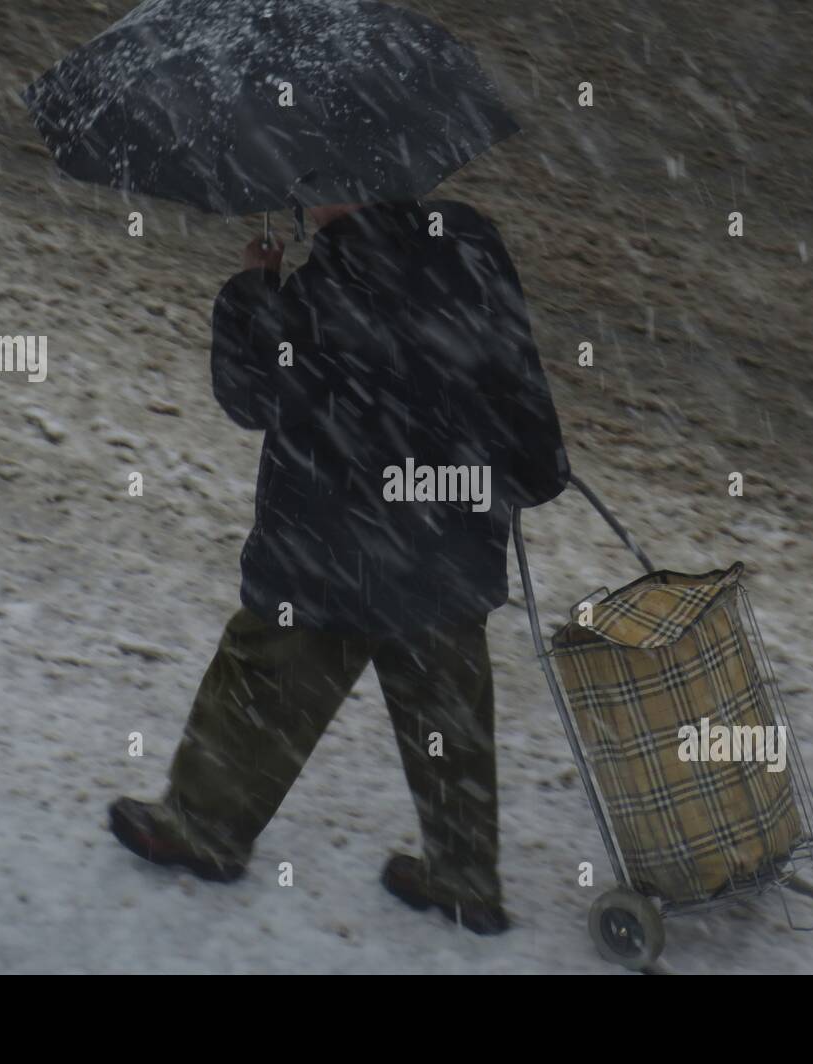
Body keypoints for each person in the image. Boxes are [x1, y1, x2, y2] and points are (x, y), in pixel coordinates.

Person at [110, 197, 569, 934]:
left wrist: (253, 288)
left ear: (341, 187)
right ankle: (463, 878)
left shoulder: (326, 287)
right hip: (448, 541)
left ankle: (202, 829)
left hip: (327, 546)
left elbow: (250, 395)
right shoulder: (471, 241)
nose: (299, 204)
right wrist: (527, 470)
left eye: (308, 188)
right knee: (445, 713)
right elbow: (517, 374)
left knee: (260, 676)